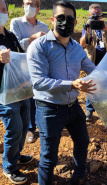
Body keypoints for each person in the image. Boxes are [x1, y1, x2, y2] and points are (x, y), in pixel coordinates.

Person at [27, 1, 96, 184]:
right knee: (49, 156)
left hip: (73, 107)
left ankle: (78, 177)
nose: (65, 22)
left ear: (75, 23)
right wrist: (72, 84)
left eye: (69, 19)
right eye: (60, 18)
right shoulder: (39, 47)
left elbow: (94, 71)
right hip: (49, 109)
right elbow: (39, 82)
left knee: (82, 143)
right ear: (52, 20)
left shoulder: (77, 49)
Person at [0, 0, 33, 184]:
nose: (2, 13)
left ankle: (16, 154)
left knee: (24, 123)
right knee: (15, 128)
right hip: (3, 95)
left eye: (4, 9)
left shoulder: (11, 36)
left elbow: (21, 59)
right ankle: (9, 166)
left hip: (19, 90)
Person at [10, 0, 49, 144]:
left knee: (39, 97)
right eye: (27, 3)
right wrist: (33, 38)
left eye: (33, 4)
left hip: (38, 66)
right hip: (21, 67)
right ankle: (29, 129)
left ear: (38, 8)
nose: (29, 7)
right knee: (25, 99)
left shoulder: (44, 26)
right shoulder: (16, 23)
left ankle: (40, 125)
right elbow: (16, 45)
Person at [80, 3, 107, 121]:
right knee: (91, 85)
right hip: (92, 61)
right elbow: (82, 44)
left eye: (98, 13)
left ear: (101, 13)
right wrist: (87, 29)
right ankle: (89, 110)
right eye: (94, 13)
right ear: (89, 14)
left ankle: (106, 109)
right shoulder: (87, 26)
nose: (96, 15)